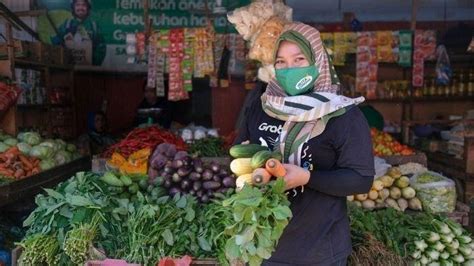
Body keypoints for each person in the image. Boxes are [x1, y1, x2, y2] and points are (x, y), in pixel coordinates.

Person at [235, 23, 375, 265]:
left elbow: (361, 179)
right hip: (264, 247)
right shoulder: (262, 106)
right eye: (281, 62)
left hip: (319, 250)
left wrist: (308, 178)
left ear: (318, 60)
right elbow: (240, 151)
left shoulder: (342, 115)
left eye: (299, 59)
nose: (289, 69)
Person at [52, 0, 106, 65]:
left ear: (88, 8)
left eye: (83, 5)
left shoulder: (94, 26)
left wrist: (94, 64)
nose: (80, 8)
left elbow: (101, 48)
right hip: (68, 70)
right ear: (73, 8)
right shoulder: (66, 25)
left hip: (88, 70)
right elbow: (56, 44)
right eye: (77, 5)